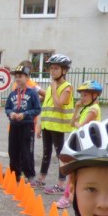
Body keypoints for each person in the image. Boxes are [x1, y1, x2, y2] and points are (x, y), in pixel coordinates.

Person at [56, 79, 103, 209]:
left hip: (89, 145)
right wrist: (76, 108)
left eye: (85, 95)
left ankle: (68, 197)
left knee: (78, 171)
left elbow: (81, 126)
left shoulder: (93, 109)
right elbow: (72, 123)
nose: (82, 98)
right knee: (75, 170)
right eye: (81, 95)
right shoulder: (85, 108)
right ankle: (70, 196)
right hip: (81, 143)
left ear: (95, 95)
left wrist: (77, 123)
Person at [35, 54, 74, 195]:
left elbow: (58, 104)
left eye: (56, 68)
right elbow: (46, 107)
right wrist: (39, 125)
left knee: (60, 155)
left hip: (58, 127)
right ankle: (41, 179)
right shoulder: (52, 86)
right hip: (47, 125)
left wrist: (53, 88)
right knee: (46, 152)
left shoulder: (67, 87)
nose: (52, 71)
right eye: (51, 68)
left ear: (64, 70)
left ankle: (61, 184)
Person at [3, 65, 42, 184]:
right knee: (13, 150)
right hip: (14, 125)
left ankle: (30, 175)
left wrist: (25, 114)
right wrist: (11, 113)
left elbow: (37, 109)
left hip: (27, 125)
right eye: (16, 77)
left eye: (20, 76)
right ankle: (15, 174)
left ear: (27, 77)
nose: (17, 79)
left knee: (27, 151)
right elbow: (7, 108)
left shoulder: (32, 93)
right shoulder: (13, 93)